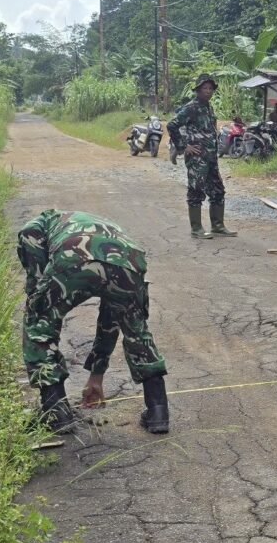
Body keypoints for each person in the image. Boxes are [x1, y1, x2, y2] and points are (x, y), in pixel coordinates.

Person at [17, 209, 169, 433]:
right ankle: (158, 412)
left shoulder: (32, 228)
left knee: (38, 323)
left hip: (74, 256)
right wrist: (96, 378)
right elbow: (111, 318)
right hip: (128, 260)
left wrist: (41, 309)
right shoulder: (90, 222)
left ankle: (56, 412)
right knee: (136, 331)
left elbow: (37, 288)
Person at [167, 75, 237, 239]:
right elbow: (172, 125)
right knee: (195, 191)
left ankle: (218, 226)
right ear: (198, 90)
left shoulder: (208, 107)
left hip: (211, 157)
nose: (208, 91)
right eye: (205, 88)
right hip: (197, 158)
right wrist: (184, 147)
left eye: (210, 88)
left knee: (218, 190)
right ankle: (196, 229)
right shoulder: (191, 108)